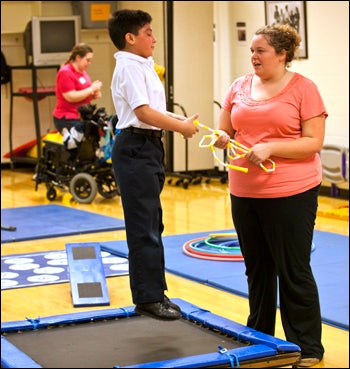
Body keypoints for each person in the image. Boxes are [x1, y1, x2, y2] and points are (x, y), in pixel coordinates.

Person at [213, 24, 326, 368]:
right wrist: (218, 136)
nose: (253, 57)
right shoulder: (239, 86)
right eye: (252, 51)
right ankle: (258, 338)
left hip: (291, 191)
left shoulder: (304, 89)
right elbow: (226, 128)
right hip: (244, 191)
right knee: (257, 269)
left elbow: (313, 142)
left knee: (293, 269)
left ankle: (307, 348)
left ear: (282, 54)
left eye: (260, 51)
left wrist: (271, 147)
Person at [107, 9, 199, 321]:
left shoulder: (142, 65)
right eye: (148, 32)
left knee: (153, 224)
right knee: (143, 227)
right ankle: (147, 298)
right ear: (130, 38)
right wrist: (180, 127)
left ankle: (156, 292)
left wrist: (181, 121)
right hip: (135, 147)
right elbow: (143, 113)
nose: (154, 38)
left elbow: (155, 111)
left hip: (148, 146)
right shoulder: (129, 67)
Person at [53, 43, 103, 149]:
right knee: (77, 146)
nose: (89, 63)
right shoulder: (65, 72)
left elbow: (83, 95)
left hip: (80, 116)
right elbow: (70, 97)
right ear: (78, 57)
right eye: (87, 60)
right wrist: (91, 89)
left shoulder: (82, 72)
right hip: (67, 116)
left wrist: (93, 95)